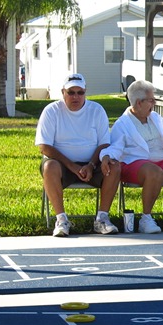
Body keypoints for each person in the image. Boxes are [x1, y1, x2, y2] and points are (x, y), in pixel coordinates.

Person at [36, 72, 121, 237]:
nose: (76, 97)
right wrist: (73, 166)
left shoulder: (97, 110)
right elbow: (44, 147)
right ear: (63, 93)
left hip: (92, 164)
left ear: (85, 92)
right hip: (63, 166)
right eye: (71, 92)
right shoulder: (51, 111)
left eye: (80, 92)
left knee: (115, 166)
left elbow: (104, 143)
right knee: (49, 166)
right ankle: (61, 220)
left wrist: (91, 165)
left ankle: (102, 219)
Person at [107, 80, 163, 233]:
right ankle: (146, 219)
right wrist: (107, 156)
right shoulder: (123, 124)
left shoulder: (156, 118)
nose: (154, 103)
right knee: (154, 172)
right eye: (151, 100)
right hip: (134, 162)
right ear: (139, 103)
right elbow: (115, 147)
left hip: (161, 161)